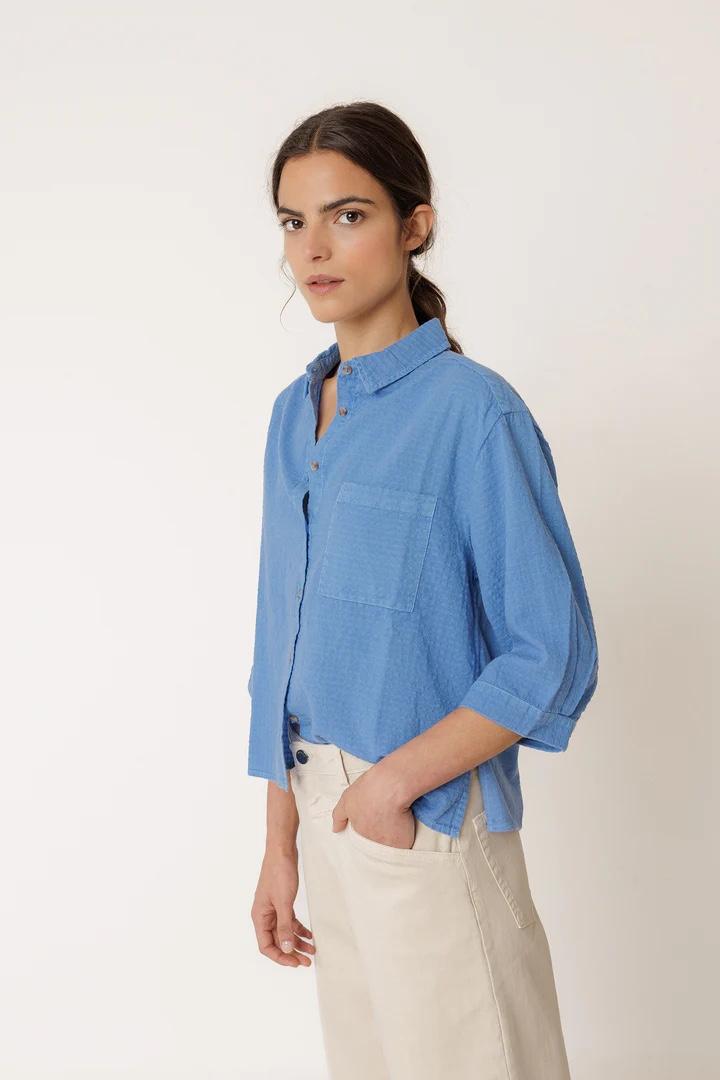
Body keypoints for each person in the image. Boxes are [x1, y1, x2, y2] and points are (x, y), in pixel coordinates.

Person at [247, 101, 599, 1080]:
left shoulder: (474, 412)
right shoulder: (293, 414)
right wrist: (281, 841)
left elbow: (552, 649)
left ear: (416, 225)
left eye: (348, 215)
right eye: (294, 221)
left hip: (423, 815)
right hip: (322, 812)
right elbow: (279, 637)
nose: (314, 248)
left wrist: (394, 784)